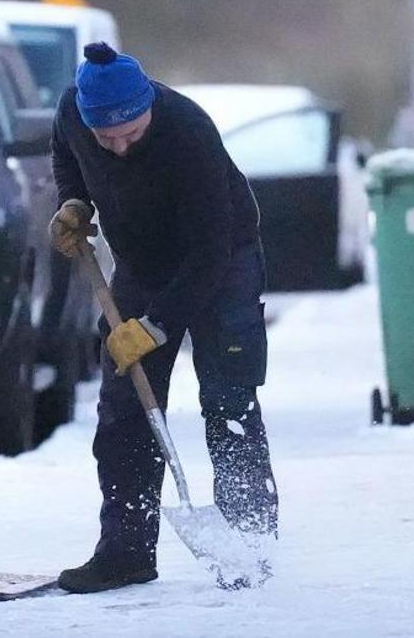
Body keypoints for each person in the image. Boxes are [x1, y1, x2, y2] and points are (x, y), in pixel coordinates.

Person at [49, 43, 279, 593]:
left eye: (131, 133)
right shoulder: (71, 114)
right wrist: (74, 202)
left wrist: (153, 327)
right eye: (108, 139)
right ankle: (125, 551)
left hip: (221, 261)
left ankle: (250, 546)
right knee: (126, 406)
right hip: (142, 261)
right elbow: (65, 152)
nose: (121, 148)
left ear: (148, 103)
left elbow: (209, 252)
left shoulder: (189, 131)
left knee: (228, 399)